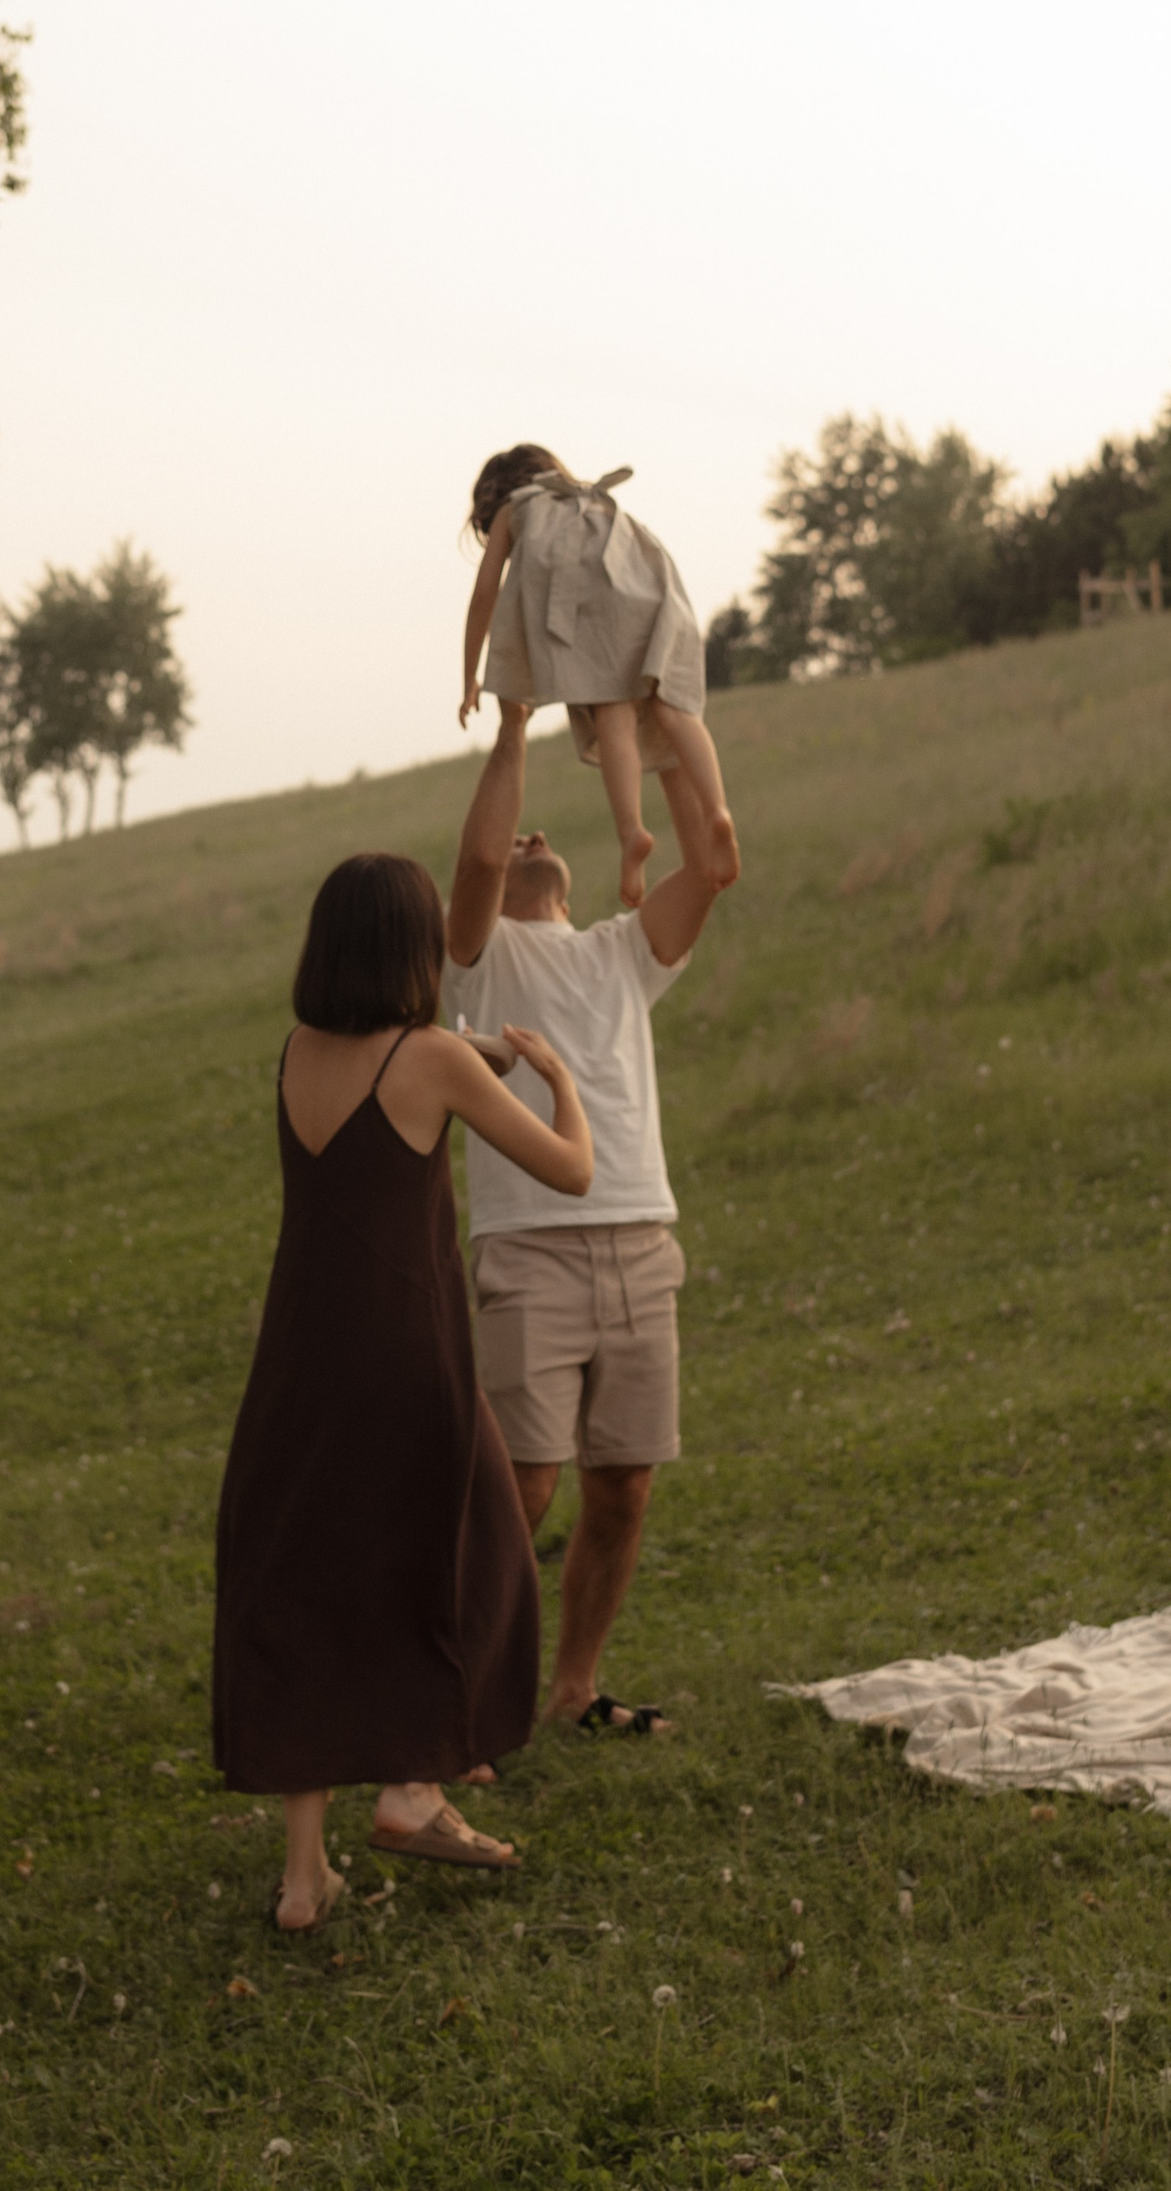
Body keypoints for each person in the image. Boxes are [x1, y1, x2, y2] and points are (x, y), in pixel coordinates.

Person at [212, 851, 593, 1935]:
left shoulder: (297, 1052)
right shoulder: (430, 1059)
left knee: (310, 1584)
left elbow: (407, 1068)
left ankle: (303, 1875)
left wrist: (473, 1056)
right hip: (409, 1358)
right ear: (412, 949)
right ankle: (416, 1790)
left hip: (297, 1361)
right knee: (472, 1560)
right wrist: (559, 1077)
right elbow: (569, 1169)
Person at [441, 700, 726, 1741]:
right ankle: (465, 1700)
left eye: (544, 835)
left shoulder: (620, 953)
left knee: (626, 1486)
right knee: (521, 1487)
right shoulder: (476, 967)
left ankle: (572, 1687)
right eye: (520, 834)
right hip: (529, 1254)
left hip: (642, 1244)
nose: (532, 837)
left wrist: (663, 747)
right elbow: (474, 866)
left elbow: (709, 867)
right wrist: (514, 726)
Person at [457, 445, 741, 908]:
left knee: (613, 711)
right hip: (649, 589)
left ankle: (631, 833)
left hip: (592, 600)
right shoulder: (592, 500)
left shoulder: (517, 508)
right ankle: (717, 810)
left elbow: (484, 594)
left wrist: (471, 675)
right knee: (675, 709)